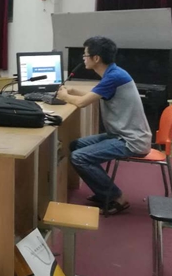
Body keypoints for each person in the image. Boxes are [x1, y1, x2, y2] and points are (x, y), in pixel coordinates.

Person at [57, 36, 152, 216]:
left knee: (79, 157)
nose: (83, 58)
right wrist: (73, 91)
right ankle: (103, 192)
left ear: (96, 58)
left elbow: (82, 103)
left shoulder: (113, 77)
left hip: (131, 141)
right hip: (120, 135)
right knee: (76, 145)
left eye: (85, 55)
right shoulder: (113, 73)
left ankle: (117, 197)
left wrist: (64, 96)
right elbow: (93, 95)